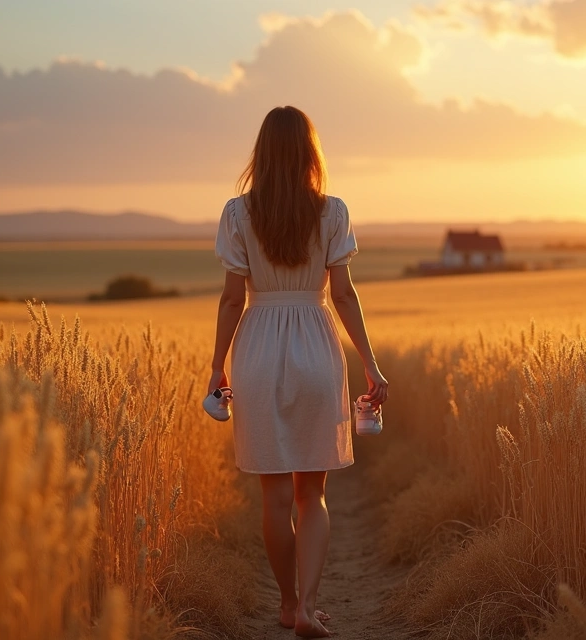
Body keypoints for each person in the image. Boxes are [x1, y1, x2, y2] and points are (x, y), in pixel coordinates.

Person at [208, 105, 389, 638]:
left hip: (258, 350)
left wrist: (216, 368)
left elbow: (230, 300)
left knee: (275, 496)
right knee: (313, 494)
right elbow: (344, 294)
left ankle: (288, 605)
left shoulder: (237, 214)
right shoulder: (332, 212)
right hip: (316, 343)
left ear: (260, 154)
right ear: (310, 153)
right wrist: (371, 365)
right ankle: (309, 607)